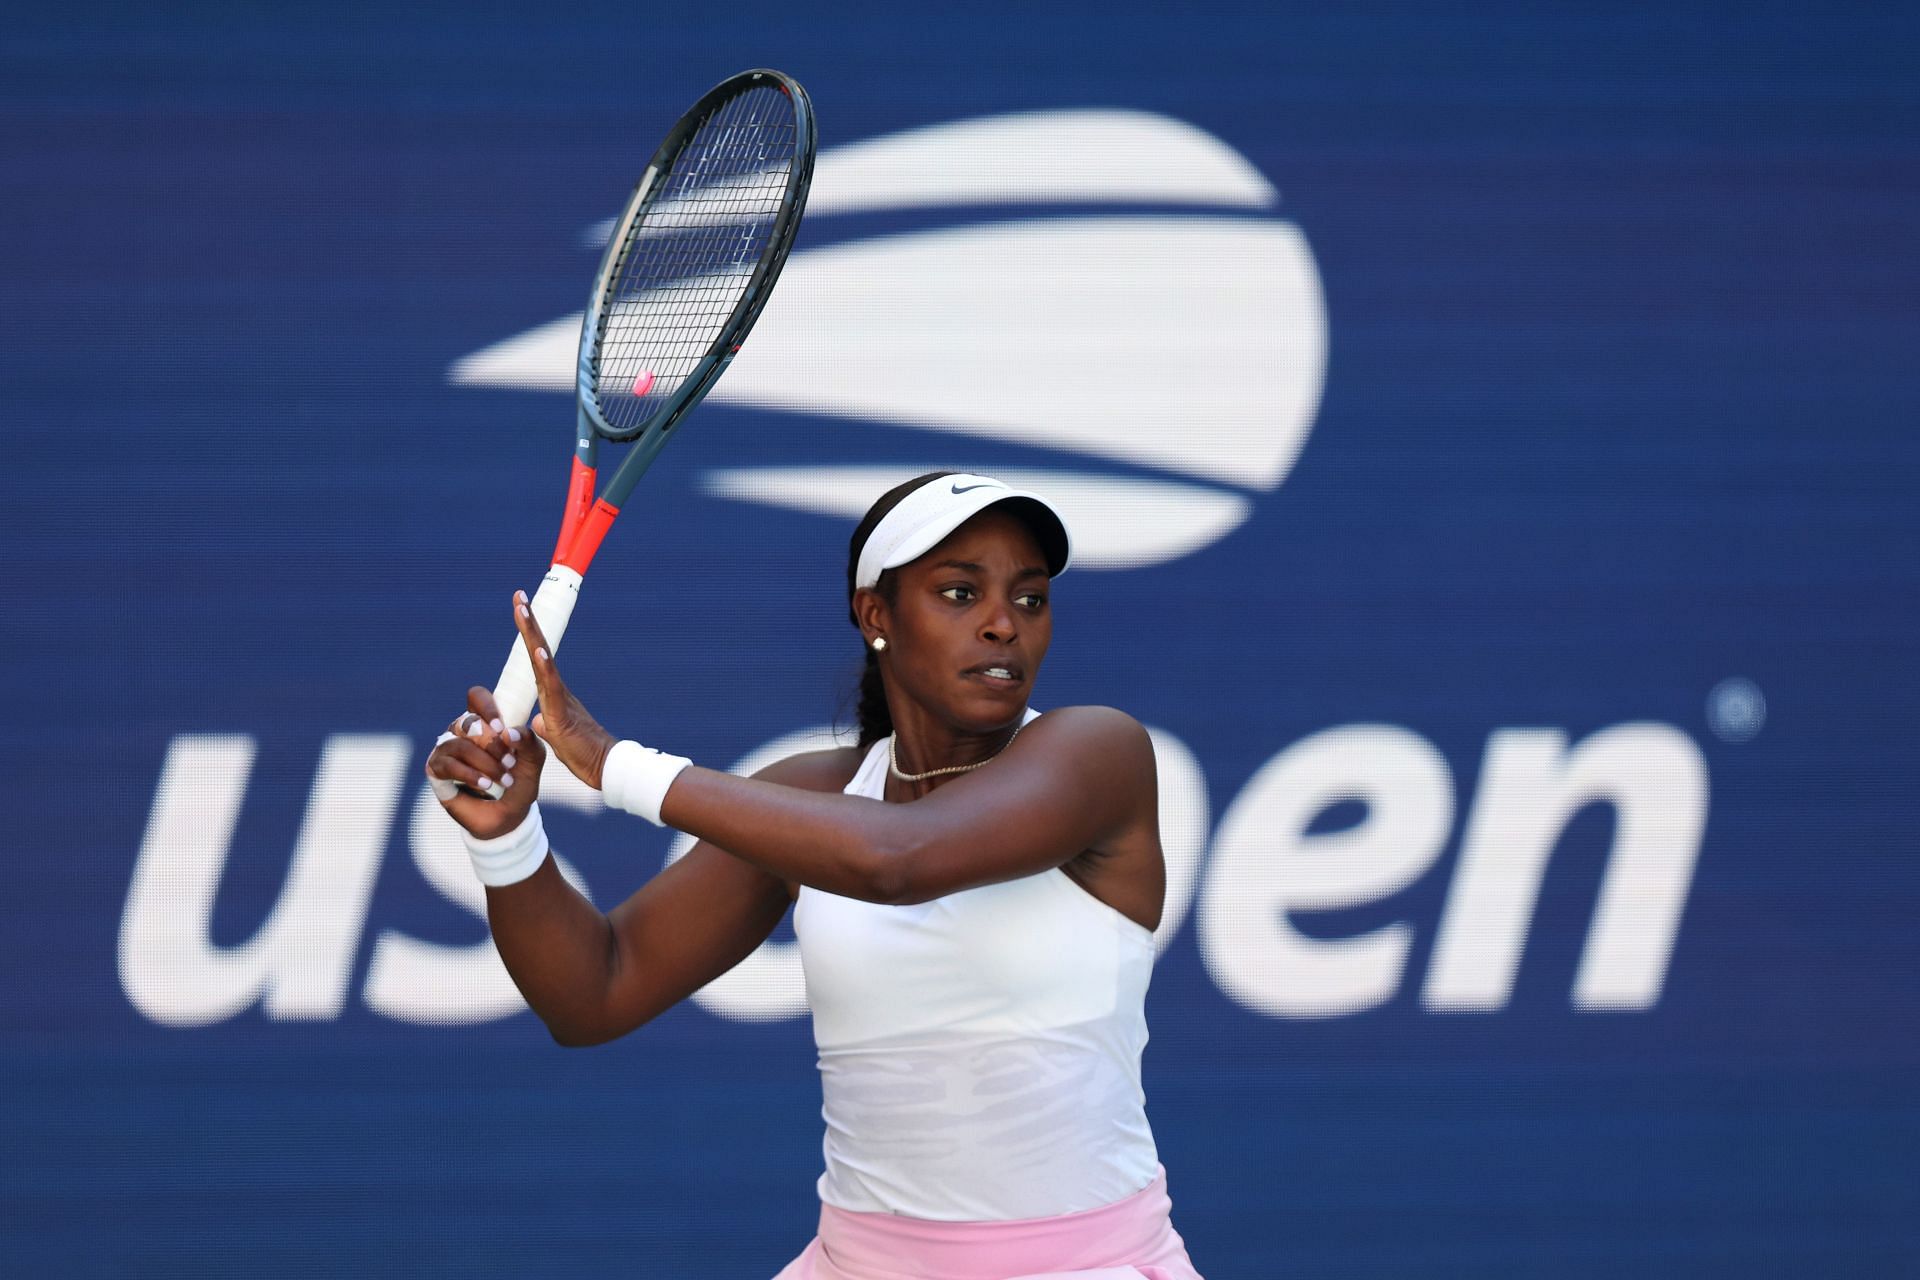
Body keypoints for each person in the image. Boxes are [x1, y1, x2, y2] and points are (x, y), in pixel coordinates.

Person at [427, 472, 1204, 1280]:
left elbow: (899, 859)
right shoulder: (811, 799)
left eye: (1030, 600)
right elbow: (595, 992)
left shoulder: (1098, 754)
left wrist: (612, 763)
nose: (1003, 625)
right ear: (877, 616)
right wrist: (508, 841)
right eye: (960, 592)